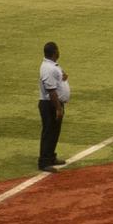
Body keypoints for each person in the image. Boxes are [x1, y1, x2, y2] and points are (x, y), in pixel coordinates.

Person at [37, 41, 70, 172]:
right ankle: (44, 162)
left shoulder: (51, 65)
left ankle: (50, 157)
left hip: (53, 103)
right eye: (57, 49)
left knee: (54, 132)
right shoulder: (48, 68)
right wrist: (58, 108)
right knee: (49, 132)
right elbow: (51, 91)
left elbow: (58, 80)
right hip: (49, 104)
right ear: (54, 52)